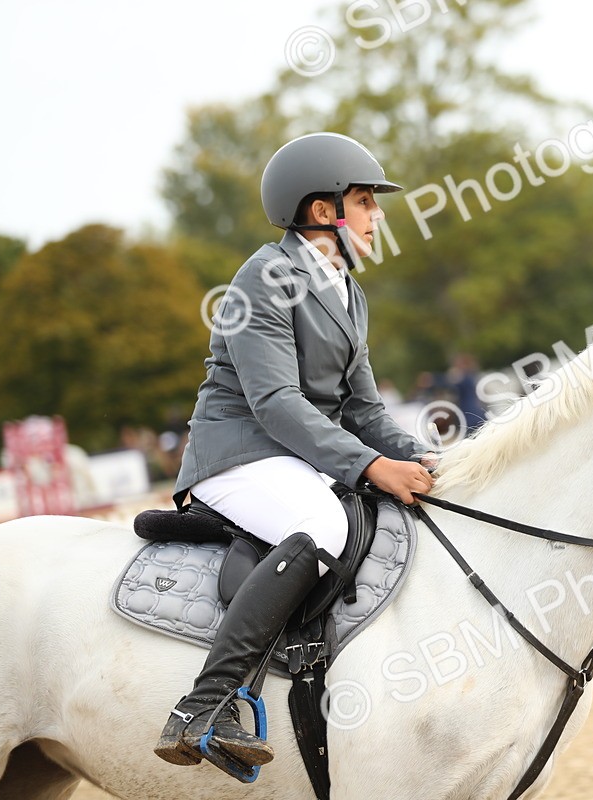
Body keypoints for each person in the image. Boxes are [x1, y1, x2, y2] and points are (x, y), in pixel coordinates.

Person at [154, 132, 436, 773]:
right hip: (238, 454)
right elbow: (276, 401)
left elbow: (364, 410)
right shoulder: (262, 279)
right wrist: (370, 465)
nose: (378, 215)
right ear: (322, 210)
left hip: (293, 457)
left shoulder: (347, 291)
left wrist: (426, 459)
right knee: (324, 523)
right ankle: (204, 705)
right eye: (365, 201)